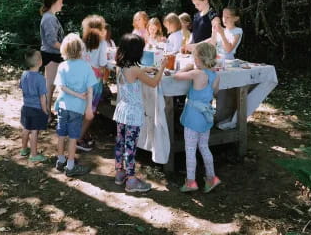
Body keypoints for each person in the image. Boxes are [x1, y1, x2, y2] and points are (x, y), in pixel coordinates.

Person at [113, 34, 167, 192]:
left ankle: (119, 173)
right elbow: (154, 82)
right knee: (130, 146)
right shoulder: (135, 69)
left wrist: (144, 69)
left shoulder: (121, 66)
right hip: (133, 113)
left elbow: (133, 73)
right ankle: (131, 180)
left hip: (121, 110)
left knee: (120, 143)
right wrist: (162, 67)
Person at [172, 42, 222, 193]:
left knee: (190, 149)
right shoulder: (216, 75)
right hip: (205, 116)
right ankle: (211, 177)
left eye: (194, 57)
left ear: (199, 59)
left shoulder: (196, 74)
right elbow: (215, 94)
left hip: (193, 117)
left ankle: (191, 181)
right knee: (204, 147)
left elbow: (176, 76)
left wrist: (187, 67)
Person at [54, 33, 97, 177]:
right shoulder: (86, 67)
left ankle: (60, 161)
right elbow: (91, 89)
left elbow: (61, 87)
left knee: (61, 135)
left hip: (62, 106)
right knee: (73, 137)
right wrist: (88, 106)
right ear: (81, 50)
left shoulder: (62, 66)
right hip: (77, 109)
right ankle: (70, 166)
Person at [78, 15, 108, 151]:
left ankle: (79, 135)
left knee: (81, 109)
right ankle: (78, 138)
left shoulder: (81, 42)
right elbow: (103, 63)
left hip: (81, 79)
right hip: (94, 82)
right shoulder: (102, 43)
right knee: (90, 112)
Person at [19, 49, 49, 162]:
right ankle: (34, 154)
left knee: (26, 128)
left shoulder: (24, 74)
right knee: (35, 131)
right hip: (36, 109)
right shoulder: (40, 79)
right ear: (40, 62)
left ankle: (23, 149)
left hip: (26, 107)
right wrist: (45, 110)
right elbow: (42, 97)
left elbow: (22, 89)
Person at [40, 0, 65, 119]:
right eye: (61, 2)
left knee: (51, 85)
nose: (62, 4)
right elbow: (52, 41)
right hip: (51, 55)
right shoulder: (49, 18)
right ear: (54, 3)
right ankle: (46, 114)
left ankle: (47, 112)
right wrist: (68, 48)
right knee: (49, 86)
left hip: (54, 55)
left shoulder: (51, 17)